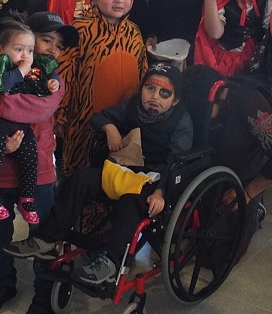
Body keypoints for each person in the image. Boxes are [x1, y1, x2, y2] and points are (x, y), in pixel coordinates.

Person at [30, 64, 193, 286]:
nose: (155, 97)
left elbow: (177, 163)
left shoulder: (181, 120)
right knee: (81, 179)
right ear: (142, 89)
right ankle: (47, 238)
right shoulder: (134, 105)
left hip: (155, 178)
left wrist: (161, 193)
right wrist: (110, 128)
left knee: (131, 201)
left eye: (164, 93)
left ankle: (110, 260)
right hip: (125, 169)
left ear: (174, 100)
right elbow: (100, 116)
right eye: (150, 88)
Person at [0, 12, 72, 314]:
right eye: (46, 41)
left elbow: (38, 110)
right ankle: (2, 284)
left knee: (43, 237)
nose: (52, 50)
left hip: (37, 172)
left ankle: (44, 294)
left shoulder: (50, 80)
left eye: (58, 46)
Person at [57, 0, 148, 176]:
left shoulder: (134, 33)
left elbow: (142, 73)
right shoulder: (80, 31)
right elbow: (64, 76)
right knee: (83, 178)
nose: (119, 0)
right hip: (84, 125)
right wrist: (60, 116)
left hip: (124, 125)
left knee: (117, 178)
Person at [0, 18, 59, 224]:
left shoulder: (37, 70)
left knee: (29, 154)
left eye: (30, 51)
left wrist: (50, 83)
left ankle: (27, 198)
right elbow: (3, 85)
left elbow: (40, 106)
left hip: (20, 132)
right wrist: (21, 73)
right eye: (19, 49)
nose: (26, 56)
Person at [182, 65, 272, 210]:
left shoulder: (251, 103)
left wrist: (248, 193)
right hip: (214, 171)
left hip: (245, 178)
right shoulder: (204, 99)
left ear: (217, 98)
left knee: (230, 224)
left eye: (201, 112)